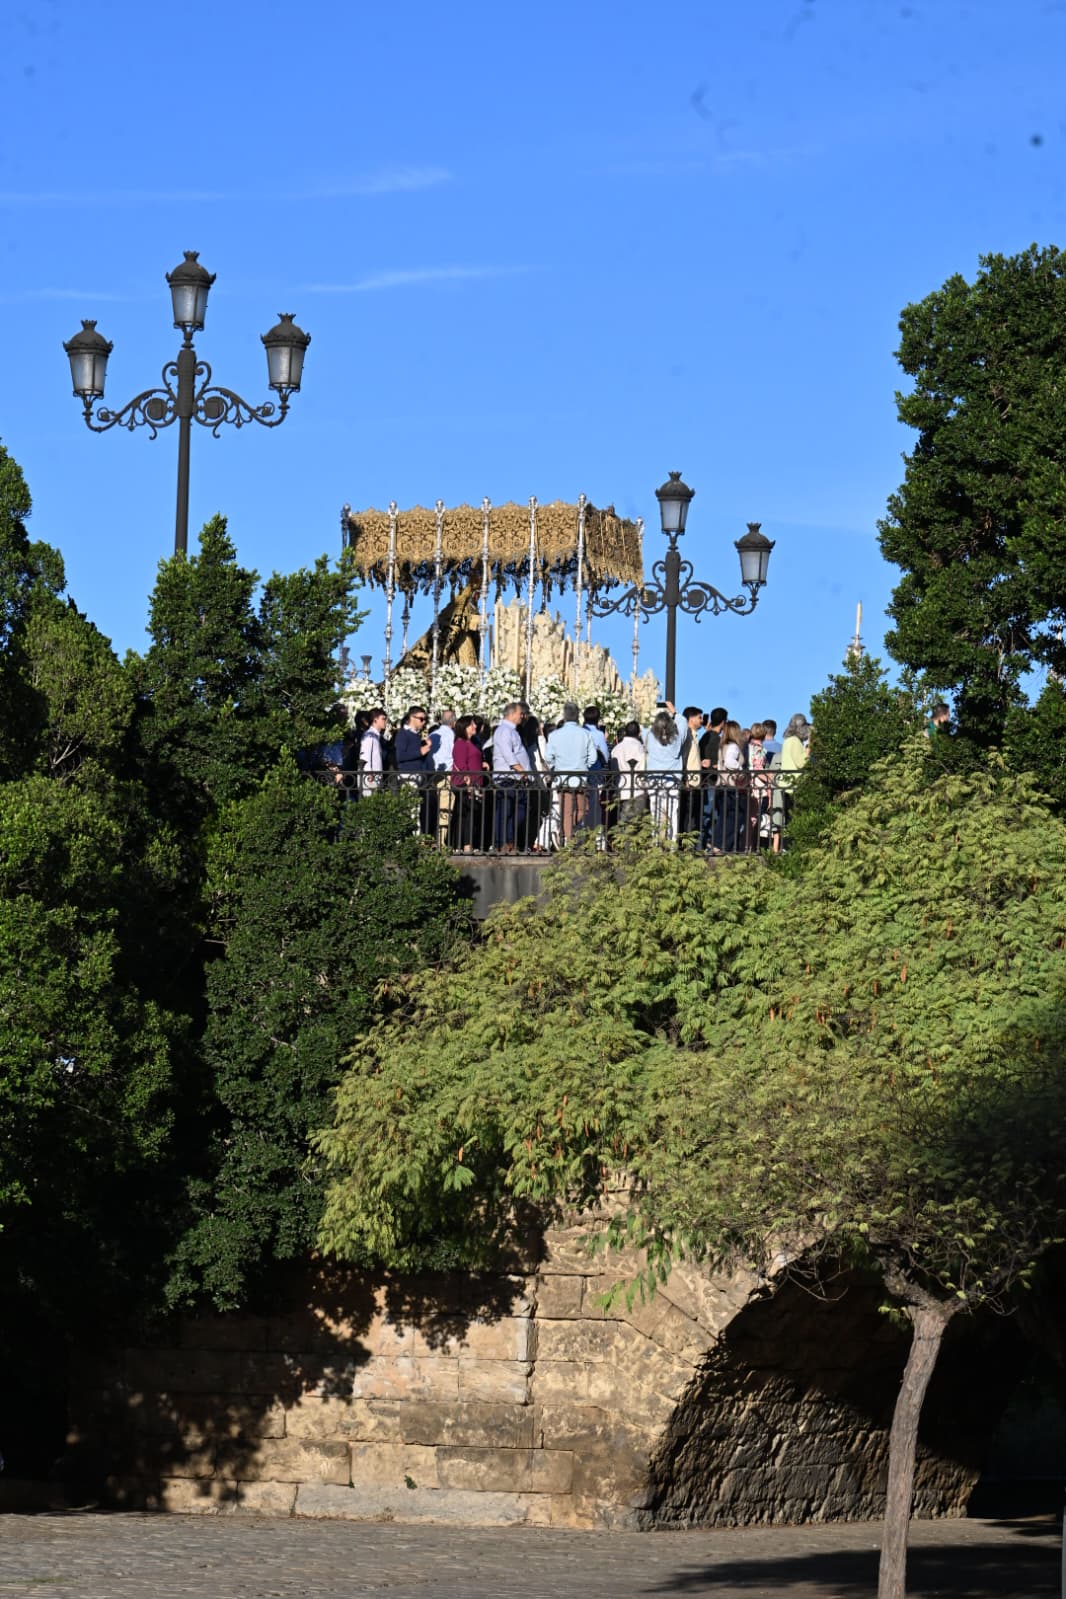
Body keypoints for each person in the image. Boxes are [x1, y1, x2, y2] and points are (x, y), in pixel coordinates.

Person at [545, 703, 599, 844]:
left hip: (562, 779)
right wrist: (583, 766)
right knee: (583, 809)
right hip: (580, 778)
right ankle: (569, 836)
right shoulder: (585, 734)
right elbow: (593, 757)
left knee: (566, 811)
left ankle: (566, 837)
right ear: (577, 716)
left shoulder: (555, 735)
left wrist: (557, 766)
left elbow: (548, 757)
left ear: (564, 715)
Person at [491, 702, 531, 853]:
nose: (521, 716)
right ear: (512, 714)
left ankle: (509, 839)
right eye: (520, 713)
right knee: (505, 811)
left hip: (517, 778)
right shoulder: (503, 730)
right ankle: (501, 842)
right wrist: (520, 769)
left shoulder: (512, 731)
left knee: (519, 810)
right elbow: (508, 753)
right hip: (507, 777)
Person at [770, 712, 810, 852]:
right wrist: (808, 751)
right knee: (794, 818)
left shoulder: (788, 741)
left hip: (785, 784)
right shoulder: (794, 741)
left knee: (787, 818)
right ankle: (792, 847)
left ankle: (787, 847)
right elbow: (800, 763)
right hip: (792, 785)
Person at [644, 707, 683, 841]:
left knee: (656, 811)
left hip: (654, 778)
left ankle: (656, 842)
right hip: (672, 779)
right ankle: (672, 843)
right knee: (673, 812)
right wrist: (674, 712)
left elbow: (642, 728)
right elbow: (683, 722)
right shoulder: (677, 737)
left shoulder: (649, 735)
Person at [450, 714, 485, 852]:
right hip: (466, 784)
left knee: (471, 814)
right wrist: (468, 784)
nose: (474, 726)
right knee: (466, 814)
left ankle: (466, 844)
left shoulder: (472, 742)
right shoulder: (460, 743)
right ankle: (465, 844)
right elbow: (461, 764)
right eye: (471, 725)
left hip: (475, 782)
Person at [711, 720, 746, 854]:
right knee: (734, 818)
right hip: (730, 786)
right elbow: (730, 761)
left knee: (724, 818)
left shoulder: (723, 746)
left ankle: (718, 844)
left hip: (721, 785)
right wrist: (740, 770)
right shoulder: (733, 747)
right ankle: (721, 846)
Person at [611, 719, 647, 828]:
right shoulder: (641, 748)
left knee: (623, 823)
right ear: (639, 733)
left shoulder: (616, 749)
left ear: (625, 732)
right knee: (637, 824)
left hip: (621, 789)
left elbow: (614, 771)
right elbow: (643, 770)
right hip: (638, 790)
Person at [678, 706, 705, 845]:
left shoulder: (693, 736)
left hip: (695, 784)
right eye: (699, 717)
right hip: (689, 784)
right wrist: (686, 779)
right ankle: (685, 846)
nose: (702, 720)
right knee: (688, 818)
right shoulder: (687, 736)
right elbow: (684, 757)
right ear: (691, 718)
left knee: (692, 817)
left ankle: (689, 845)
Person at [359, 707, 387, 793]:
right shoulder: (370, 735)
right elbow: (365, 755)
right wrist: (369, 774)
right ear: (375, 720)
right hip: (370, 779)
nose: (385, 722)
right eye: (383, 719)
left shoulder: (375, 736)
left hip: (375, 777)